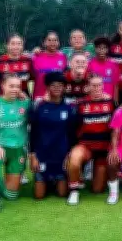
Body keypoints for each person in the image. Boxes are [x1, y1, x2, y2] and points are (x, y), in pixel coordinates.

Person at [0, 76, 30, 215]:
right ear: (3, 86)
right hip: (0, 147)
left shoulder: (25, 103)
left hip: (18, 149)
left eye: (17, 86)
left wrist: (27, 98)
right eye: (11, 86)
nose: (15, 89)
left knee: (11, 196)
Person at [66, 76, 116, 205]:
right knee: (74, 159)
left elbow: (116, 128)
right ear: (87, 87)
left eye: (99, 85)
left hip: (103, 149)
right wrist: (70, 149)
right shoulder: (80, 104)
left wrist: (113, 148)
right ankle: (74, 191)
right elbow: (72, 128)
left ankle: (95, 175)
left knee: (97, 189)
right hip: (86, 147)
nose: (97, 88)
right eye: (93, 85)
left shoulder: (111, 102)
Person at [29, 72, 74, 200]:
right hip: (42, 154)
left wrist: (69, 154)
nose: (57, 88)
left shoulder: (68, 108)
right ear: (47, 87)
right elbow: (33, 132)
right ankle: (46, 181)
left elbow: (71, 133)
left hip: (61, 155)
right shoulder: (38, 106)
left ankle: (56, 181)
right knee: (39, 196)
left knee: (62, 194)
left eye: (60, 86)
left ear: (64, 87)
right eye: (53, 85)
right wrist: (32, 155)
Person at [0, 34, 34, 98]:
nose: (16, 46)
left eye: (19, 44)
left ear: (22, 46)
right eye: (13, 43)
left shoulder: (28, 61)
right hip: (5, 99)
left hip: (23, 99)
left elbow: (33, 78)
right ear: (7, 45)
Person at [32, 31, 67, 99]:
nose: (52, 43)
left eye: (55, 40)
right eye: (49, 40)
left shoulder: (63, 57)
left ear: (58, 42)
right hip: (40, 97)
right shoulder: (36, 57)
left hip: (58, 98)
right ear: (44, 42)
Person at [87, 37, 121, 104]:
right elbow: (88, 84)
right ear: (95, 49)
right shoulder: (90, 64)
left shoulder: (114, 65)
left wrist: (115, 102)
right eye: (99, 48)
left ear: (108, 49)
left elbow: (116, 86)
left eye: (104, 48)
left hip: (109, 101)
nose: (102, 50)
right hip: (94, 101)